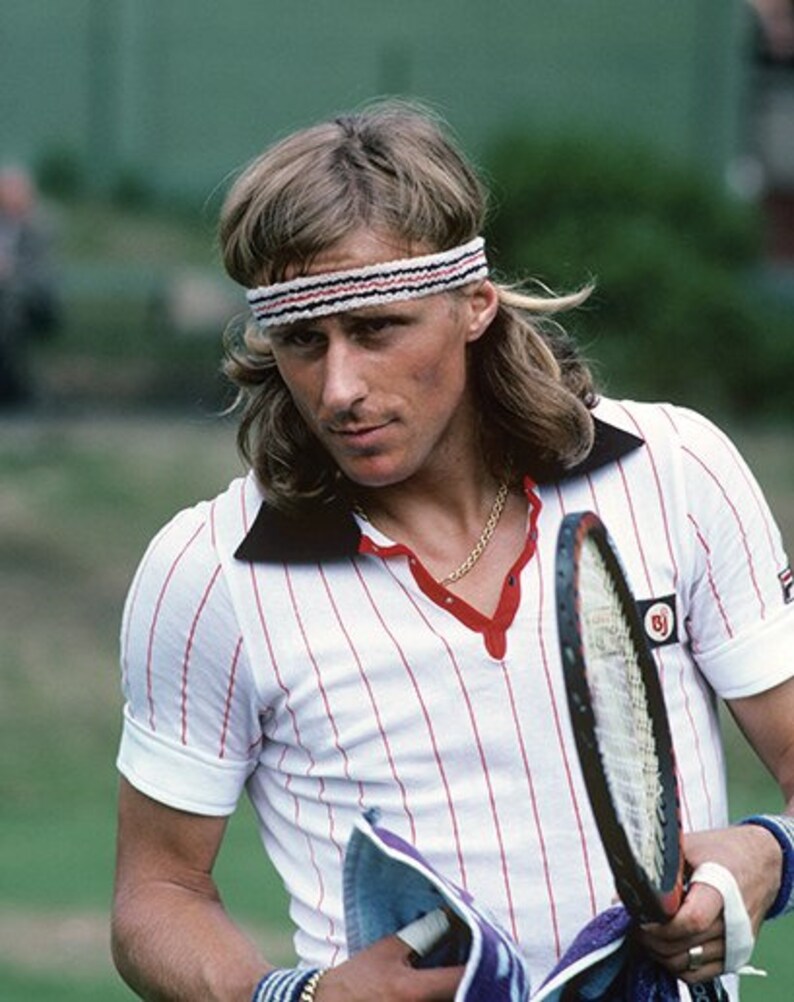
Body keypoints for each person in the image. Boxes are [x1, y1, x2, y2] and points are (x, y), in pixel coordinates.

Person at [111, 101, 794, 1002]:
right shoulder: (205, 573)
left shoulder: (677, 471)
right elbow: (156, 894)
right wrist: (300, 998)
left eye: (378, 329)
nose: (340, 387)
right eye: (303, 342)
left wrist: (770, 855)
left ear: (475, 306)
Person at [0, 165, 60, 407]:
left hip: (34, 301)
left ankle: (11, 388)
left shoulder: (42, 225)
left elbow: (41, 272)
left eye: (15, 192)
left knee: (8, 313)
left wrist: (11, 271)